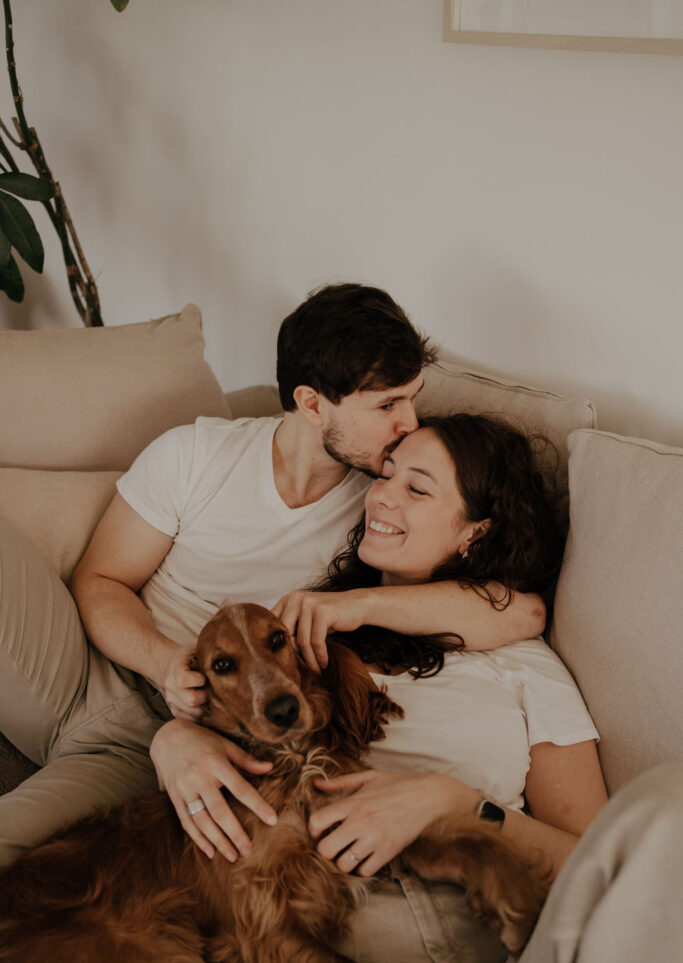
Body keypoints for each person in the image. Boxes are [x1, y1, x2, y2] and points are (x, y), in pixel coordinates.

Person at [0, 284, 543, 868]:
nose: (409, 423)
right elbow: (100, 578)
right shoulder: (194, 454)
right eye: (387, 405)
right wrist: (163, 663)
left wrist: (353, 606)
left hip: (184, 737)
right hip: (83, 671)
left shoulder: (384, 504)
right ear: (311, 405)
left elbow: (522, 610)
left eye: (411, 399)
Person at [266, 415, 683, 963]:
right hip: (325, 932)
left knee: (669, 806)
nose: (380, 493)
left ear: (475, 533)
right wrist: (174, 739)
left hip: (494, 954)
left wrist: (455, 805)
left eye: (418, 487)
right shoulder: (309, 639)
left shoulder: (524, 665)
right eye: (385, 473)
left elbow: (596, 869)